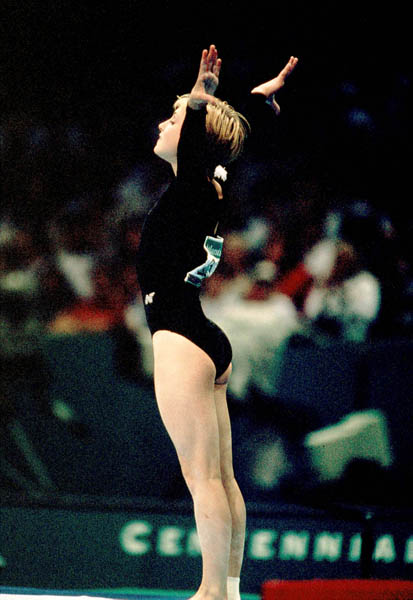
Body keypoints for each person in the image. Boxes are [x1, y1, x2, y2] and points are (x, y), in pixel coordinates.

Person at [136, 45, 298, 600]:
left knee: (203, 479)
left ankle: (211, 592)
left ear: (195, 138)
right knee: (221, 479)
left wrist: (203, 97)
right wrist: (252, 105)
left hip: (181, 336)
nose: (163, 122)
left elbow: (210, 135)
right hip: (205, 338)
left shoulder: (192, 187)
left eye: (174, 118)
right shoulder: (209, 186)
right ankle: (226, 589)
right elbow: (227, 143)